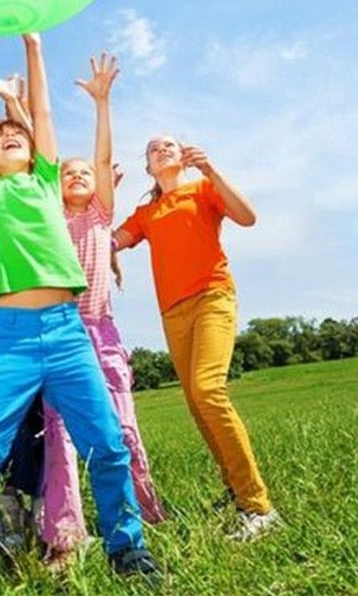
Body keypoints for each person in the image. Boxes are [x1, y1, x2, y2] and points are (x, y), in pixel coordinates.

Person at [0, 33, 160, 582]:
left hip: (66, 332)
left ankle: (127, 549)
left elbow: (42, 109)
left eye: (17, 134)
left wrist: (34, 44)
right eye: (0, 136)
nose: (10, 135)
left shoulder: (46, 178)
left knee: (106, 443)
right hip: (10, 335)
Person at [114, 135, 281, 542]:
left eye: (169, 144)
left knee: (208, 390)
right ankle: (236, 490)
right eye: (153, 148)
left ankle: (259, 506)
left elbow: (248, 217)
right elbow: (111, 239)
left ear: (184, 157)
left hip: (212, 297)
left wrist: (212, 169)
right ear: (149, 168)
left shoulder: (204, 188)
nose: (161, 149)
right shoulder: (148, 211)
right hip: (173, 312)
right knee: (195, 402)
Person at [36, 53, 167, 569]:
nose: (76, 176)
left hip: (102, 332)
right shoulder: (48, 217)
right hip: (61, 335)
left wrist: (102, 103)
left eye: (84, 172)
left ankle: (146, 513)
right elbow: (41, 154)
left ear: (98, 183)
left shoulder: (99, 213)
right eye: (67, 173)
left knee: (123, 428)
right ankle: (65, 536)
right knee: (60, 437)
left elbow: (102, 152)